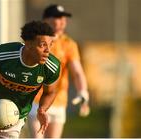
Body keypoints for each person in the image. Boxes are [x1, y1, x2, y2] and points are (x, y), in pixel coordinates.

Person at [0, 21, 60, 138]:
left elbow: (50, 92)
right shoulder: (2, 54)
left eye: (50, 44)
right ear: (28, 44)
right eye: (42, 45)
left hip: (16, 115)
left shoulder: (52, 67)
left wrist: (42, 109)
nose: (47, 51)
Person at [28, 4, 90, 138]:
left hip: (58, 99)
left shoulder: (69, 44)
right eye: (58, 17)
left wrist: (83, 91)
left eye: (64, 18)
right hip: (36, 100)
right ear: (46, 20)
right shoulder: (35, 41)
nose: (62, 21)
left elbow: (77, 72)